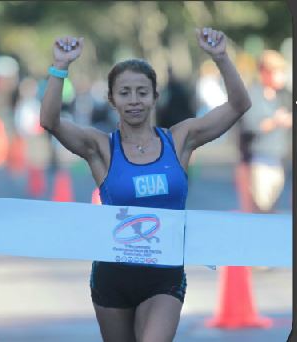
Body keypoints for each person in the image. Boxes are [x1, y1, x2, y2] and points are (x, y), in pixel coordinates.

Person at [40, 28, 250, 342]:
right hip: (113, 276)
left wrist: (220, 57)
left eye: (142, 92)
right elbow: (50, 121)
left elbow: (238, 105)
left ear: (154, 96)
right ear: (112, 99)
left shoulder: (180, 139)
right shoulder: (101, 148)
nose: (134, 100)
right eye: (124, 93)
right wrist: (60, 67)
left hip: (164, 277)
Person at [238, 50, 292, 214]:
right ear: (265, 72)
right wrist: (275, 121)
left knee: (272, 207)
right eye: (277, 72)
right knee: (261, 208)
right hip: (259, 160)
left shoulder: (284, 95)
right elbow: (250, 126)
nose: (281, 76)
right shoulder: (253, 95)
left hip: (279, 160)